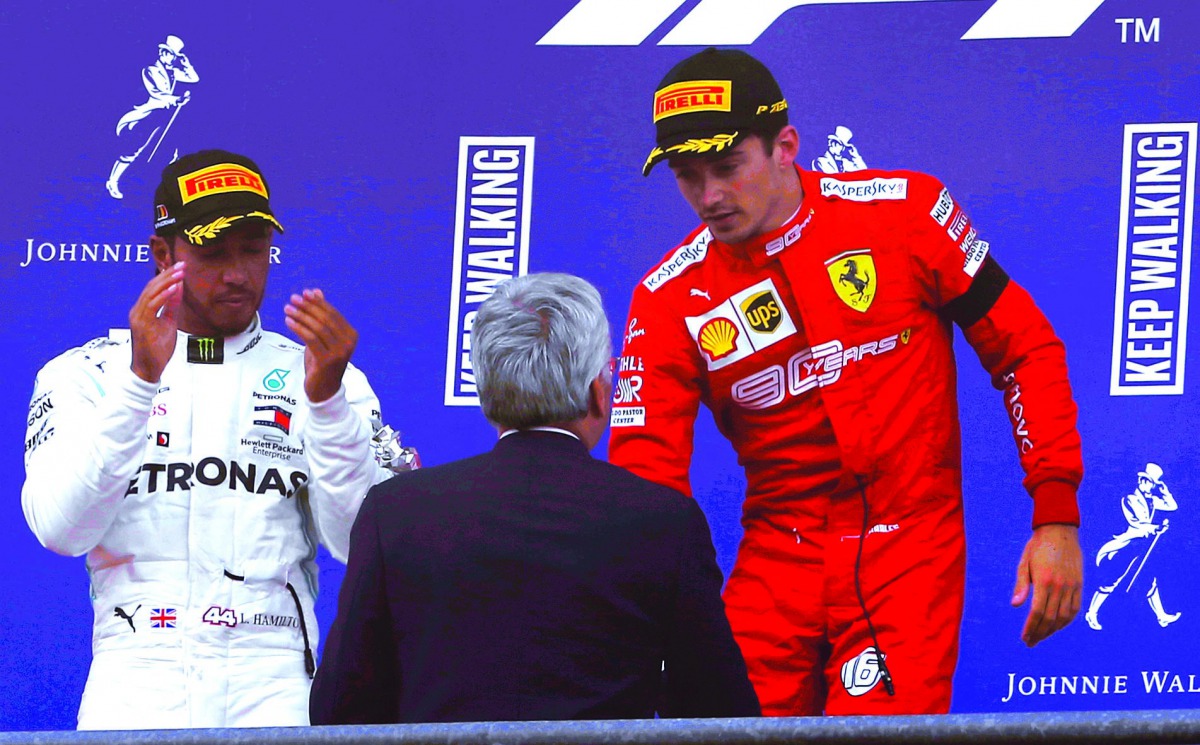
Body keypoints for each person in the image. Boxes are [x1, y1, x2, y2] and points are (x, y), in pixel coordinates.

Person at [610, 47, 1084, 715]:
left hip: (909, 548)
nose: (710, 197)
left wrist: (1056, 514)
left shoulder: (907, 214)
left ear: (786, 146)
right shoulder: (668, 297)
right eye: (688, 178)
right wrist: (655, 611)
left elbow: (1025, 349)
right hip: (775, 560)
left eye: (726, 167)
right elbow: (644, 479)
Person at [22, 149, 417, 729]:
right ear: (163, 255)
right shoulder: (86, 374)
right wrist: (139, 385)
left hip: (276, 677)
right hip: (135, 679)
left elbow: (357, 545)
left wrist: (329, 405)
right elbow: (61, 529)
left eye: (254, 250)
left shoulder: (321, 373)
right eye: (212, 253)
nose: (238, 273)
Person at [309, 272, 760, 724]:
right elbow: (719, 711)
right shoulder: (665, 521)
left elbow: (336, 708)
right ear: (598, 395)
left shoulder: (395, 513)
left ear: (486, 394)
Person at [1086, 463, 1179, 630]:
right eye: (1146, 481)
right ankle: (1092, 613)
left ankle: (1161, 616)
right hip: (1126, 546)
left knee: (1150, 580)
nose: (1147, 485)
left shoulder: (1152, 500)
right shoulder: (1130, 499)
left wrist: (1164, 490)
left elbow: (1172, 506)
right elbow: (1137, 526)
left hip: (1141, 548)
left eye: (1151, 482)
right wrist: (1156, 528)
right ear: (1140, 481)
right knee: (1112, 580)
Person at [105, 35, 199, 199]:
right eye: (170, 54)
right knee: (133, 150)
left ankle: (169, 187)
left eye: (174, 56)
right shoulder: (150, 70)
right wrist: (177, 99)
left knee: (172, 151)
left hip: (164, 118)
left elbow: (194, 78)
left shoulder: (173, 72)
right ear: (162, 53)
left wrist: (186, 63)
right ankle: (113, 181)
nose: (172, 59)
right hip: (147, 116)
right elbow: (158, 95)